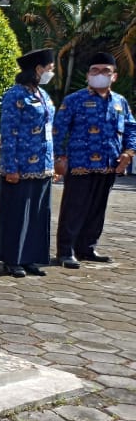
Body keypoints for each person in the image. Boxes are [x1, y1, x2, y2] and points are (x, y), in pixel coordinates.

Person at [52, 52, 136, 268]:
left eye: (105, 71)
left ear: (114, 76)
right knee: (74, 208)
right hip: (80, 164)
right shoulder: (74, 100)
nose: (100, 74)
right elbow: (59, 130)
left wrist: (129, 152)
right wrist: (59, 157)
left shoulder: (120, 102)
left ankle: (87, 248)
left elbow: (131, 128)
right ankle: (65, 251)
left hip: (109, 164)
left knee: (97, 209)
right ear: (89, 75)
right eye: (95, 71)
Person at [0, 48, 57, 277]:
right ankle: (13, 259)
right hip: (20, 165)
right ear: (37, 69)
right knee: (17, 214)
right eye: (49, 69)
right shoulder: (15, 95)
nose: (51, 73)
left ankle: (31, 257)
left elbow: (50, 130)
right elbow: (9, 132)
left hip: (42, 165)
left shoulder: (42, 94)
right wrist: (10, 166)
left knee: (38, 214)